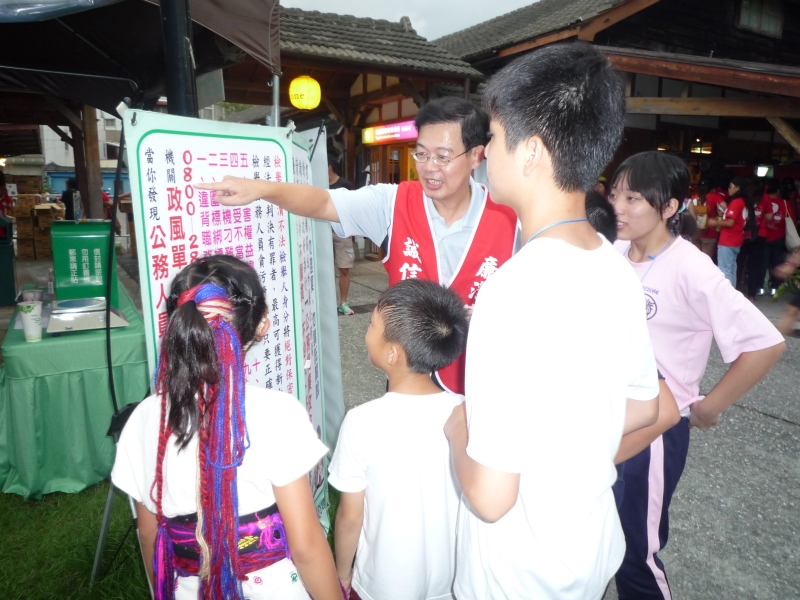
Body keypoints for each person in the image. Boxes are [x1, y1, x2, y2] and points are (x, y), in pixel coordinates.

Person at [443, 43, 660, 600]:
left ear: (532, 151)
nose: (483, 152)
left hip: (516, 575)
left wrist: (458, 428)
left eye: (490, 137)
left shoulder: (512, 291)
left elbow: (491, 498)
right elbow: (646, 403)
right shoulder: (616, 270)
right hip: (589, 553)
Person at [195, 97, 519, 395]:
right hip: (409, 386)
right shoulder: (393, 203)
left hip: (483, 386)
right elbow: (322, 202)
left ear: (476, 154)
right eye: (421, 153)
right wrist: (260, 188)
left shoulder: (513, 217)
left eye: (443, 156)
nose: (429, 167)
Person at [111, 256, 344, 600]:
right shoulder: (278, 412)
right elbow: (307, 545)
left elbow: (149, 533)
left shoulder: (145, 418)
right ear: (261, 325)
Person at [609, 151, 785, 600]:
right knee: (597, 541)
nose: (618, 208)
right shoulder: (610, 253)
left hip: (654, 434)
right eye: (614, 195)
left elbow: (765, 343)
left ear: (669, 208)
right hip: (605, 418)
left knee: (635, 556)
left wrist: (710, 406)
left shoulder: (690, 267)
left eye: (633, 198)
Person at [329, 279, 468, 600]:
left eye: (372, 325)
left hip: (383, 583)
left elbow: (350, 517)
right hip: (452, 579)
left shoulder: (362, 421)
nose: (367, 333)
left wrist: (342, 571)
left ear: (392, 353)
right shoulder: (463, 411)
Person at [328, 156, 357, 315]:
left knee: (344, 268)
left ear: (329, 166)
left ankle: (343, 303)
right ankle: (325, 303)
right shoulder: (320, 185)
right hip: (322, 229)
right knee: (323, 270)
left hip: (342, 231)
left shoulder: (345, 185)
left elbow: (354, 207)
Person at [709, 176, 747, 288]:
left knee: (725, 270)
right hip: (735, 240)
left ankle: (727, 297)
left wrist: (715, 222)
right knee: (731, 269)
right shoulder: (742, 201)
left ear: (738, 188)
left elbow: (730, 222)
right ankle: (732, 295)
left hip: (728, 240)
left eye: (730, 187)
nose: (728, 189)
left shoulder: (736, 202)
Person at [687, 178, 724, 258]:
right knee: (706, 260)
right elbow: (725, 208)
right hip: (709, 233)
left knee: (695, 259)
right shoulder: (715, 196)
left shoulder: (694, 199)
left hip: (695, 232)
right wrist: (718, 216)